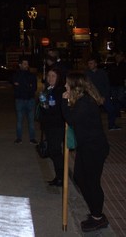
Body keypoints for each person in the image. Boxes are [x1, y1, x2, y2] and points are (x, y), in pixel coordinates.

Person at [61, 71, 110, 233]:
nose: (65, 85)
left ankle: (98, 217)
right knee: (80, 178)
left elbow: (71, 119)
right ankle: (95, 212)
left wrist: (64, 101)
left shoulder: (86, 103)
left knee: (92, 182)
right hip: (87, 146)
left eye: (67, 83)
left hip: (94, 148)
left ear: (75, 86)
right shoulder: (82, 100)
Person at [38, 68, 65, 186]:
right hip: (49, 125)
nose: (50, 78)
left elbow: (53, 110)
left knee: (55, 152)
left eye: (53, 76)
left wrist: (44, 104)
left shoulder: (59, 91)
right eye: (49, 76)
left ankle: (60, 177)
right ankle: (58, 176)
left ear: (58, 77)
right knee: (53, 151)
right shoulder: (49, 89)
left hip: (56, 125)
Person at [86, 56, 120, 131]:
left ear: (95, 64)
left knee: (111, 110)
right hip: (93, 97)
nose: (89, 65)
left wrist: (104, 96)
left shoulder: (102, 73)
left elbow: (107, 84)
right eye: (89, 64)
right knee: (92, 113)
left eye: (91, 63)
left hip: (103, 96)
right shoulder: (87, 74)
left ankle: (111, 125)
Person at [12, 58, 38, 144]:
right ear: (20, 65)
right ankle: (19, 138)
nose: (26, 65)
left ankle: (32, 138)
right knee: (19, 120)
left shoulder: (31, 75)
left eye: (27, 63)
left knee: (31, 121)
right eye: (24, 64)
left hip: (30, 100)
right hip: (19, 100)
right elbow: (14, 84)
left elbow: (34, 88)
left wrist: (21, 85)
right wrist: (27, 85)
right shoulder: (16, 74)